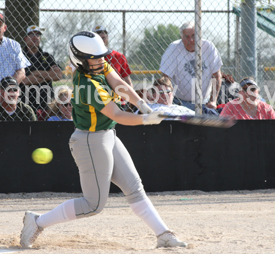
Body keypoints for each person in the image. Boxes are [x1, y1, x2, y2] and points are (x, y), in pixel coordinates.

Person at [20, 31, 187, 249]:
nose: (101, 60)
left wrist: (142, 105)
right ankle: (37, 222)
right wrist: (146, 120)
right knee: (93, 205)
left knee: (134, 188)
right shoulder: (88, 84)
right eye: (95, 57)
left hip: (107, 135)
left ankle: (163, 234)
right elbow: (117, 115)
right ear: (81, 59)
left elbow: (119, 84)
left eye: (102, 56)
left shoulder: (97, 65)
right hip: (90, 141)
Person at [159, 20, 222, 115]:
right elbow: (165, 79)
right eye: (187, 37)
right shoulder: (173, 49)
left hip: (204, 102)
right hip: (179, 102)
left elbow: (217, 76)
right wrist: (168, 100)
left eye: (194, 36)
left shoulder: (208, 47)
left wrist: (213, 101)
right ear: (181, 37)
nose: (191, 40)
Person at [20, 25, 62, 112]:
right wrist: (48, 75)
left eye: (38, 35)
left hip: (47, 103)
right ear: (25, 38)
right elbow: (24, 80)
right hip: (26, 103)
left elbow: (58, 75)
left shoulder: (47, 56)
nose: (35, 37)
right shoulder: (20, 56)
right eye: (31, 35)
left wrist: (36, 73)